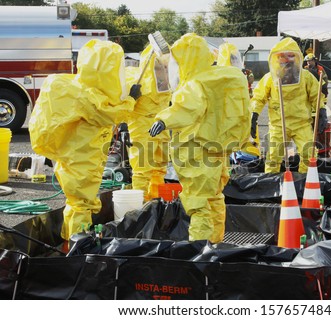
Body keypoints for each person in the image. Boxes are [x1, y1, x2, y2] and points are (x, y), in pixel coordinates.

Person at [29, 40, 137, 246]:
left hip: (74, 155)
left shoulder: (79, 88)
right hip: (80, 158)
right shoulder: (86, 95)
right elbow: (109, 114)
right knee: (81, 205)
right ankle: (78, 253)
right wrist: (131, 100)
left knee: (77, 204)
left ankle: (69, 243)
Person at [149, 33, 250, 243]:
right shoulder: (219, 76)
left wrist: (163, 120)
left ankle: (200, 251)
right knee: (214, 199)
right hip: (216, 148)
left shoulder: (194, 84)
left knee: (199, 204)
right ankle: (214, 245)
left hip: (196, 150)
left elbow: (186, 108)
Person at [250, 37, 326, 174]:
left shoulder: (306, 77)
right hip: (278, 124)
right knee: (273, 157)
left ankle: (305, 183)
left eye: (290, 56)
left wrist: (322, 112)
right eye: (283, 57)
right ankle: (270, 187)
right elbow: (259, 97)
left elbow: (317, 96)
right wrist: (253, 114)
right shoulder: (270, 78)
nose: (286, 60)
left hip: (301, 123)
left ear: (297, 58)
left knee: (309, 154)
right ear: (277, 58)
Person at [125, 45, 171, 201]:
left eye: (165, 67)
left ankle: (155, 202)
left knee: (159, 167)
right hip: (142, 129)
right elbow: (121, 108)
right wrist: (131, 97)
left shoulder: (166, 83)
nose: (163, 70)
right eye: (159, 67)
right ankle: (140, 208)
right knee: (142, 169)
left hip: (160, 128)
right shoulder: (134, 79)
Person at [217, 42, 260, 161]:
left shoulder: (244, 72)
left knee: (246, 132)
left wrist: (245, 73)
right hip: (229, 110)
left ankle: (244, 154)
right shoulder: (220, 74)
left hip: (244, 106)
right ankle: (233, 155)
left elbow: (250, 80)